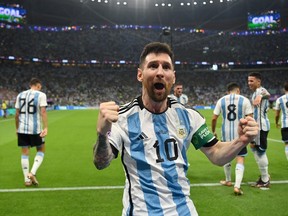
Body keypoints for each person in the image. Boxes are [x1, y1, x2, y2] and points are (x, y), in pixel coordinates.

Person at [93, 42, 258, 215]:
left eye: (166, 67)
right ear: (140, 75)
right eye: (153, 66)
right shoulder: (123, 118)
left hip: (184, 211)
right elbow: (101, 162)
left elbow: (216, 154)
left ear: (173, 76)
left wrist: (241, 140)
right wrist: (102, 133)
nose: (160, 72)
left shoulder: (188, 116)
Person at [212, 82, 253, 195]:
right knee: (240, 158)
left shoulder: (221, 100)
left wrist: (214, 130)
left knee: (226, 156)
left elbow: (214, 118)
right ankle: (237, 186)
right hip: (240, 135)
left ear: (228, 91)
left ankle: (228, 180)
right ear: (238, 90)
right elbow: (249, 119)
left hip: (226, 134)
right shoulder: (244, 100)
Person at [15, 78, 48, 186]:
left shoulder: (20, 95)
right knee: (41, 149)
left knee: (24, 153)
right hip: (35, 129)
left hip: (22, 129)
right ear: (38, 85)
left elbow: (17, 114)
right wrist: (46, 127)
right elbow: (43, 111)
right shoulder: (41, 95)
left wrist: (17, 128)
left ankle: (26, 179)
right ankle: (32, 173)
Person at [248, 72, 271, 189]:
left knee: (260, 152)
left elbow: (268, 94)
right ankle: (264, 176)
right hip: (256, 127)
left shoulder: (261, 90)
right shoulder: (255, 93)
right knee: (255, 149)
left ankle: (265, 179)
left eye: (252, 81)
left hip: (261, 127)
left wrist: (261, 96)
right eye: (248, 81)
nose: (249, 83)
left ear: (258, 81)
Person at [275, 82, 288, 161]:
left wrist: (276, 123)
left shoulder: (279, 99)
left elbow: (277, 115)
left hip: (285, 125)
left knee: (287, 144)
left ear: (284, 89)